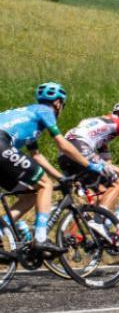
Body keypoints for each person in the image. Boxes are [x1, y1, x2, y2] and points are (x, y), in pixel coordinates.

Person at [0, 82, 108, 253]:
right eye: (62, 105)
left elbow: (36, 155)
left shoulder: (30, 115)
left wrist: (60, 177)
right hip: (1, 143)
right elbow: (63, 145)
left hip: (3, 146)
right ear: (57, 103)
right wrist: (90, 165)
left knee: (30, 194)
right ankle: (41, 238)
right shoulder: (45, 111)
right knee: (45, 184)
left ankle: (1, 230)